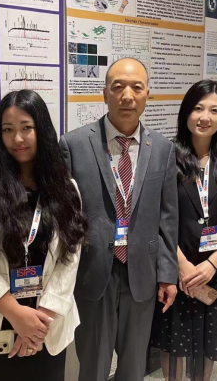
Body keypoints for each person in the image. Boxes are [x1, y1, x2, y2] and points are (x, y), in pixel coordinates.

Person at [60, 57, 179, 381]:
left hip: (142, 274)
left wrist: (168, 274)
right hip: (93, 273)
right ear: (105, 94)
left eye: (136, 88)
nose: (127, 96)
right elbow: (65, 218)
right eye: (118, 87)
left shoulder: (163, 149)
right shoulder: (73, 144)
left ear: (147, 94)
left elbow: (168, 217)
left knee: (134, 368)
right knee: (93, 367)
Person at [0, 89, 87, 381]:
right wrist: (17, 316)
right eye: (8, 130)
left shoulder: (65, 187)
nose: (17, 138)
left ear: (41, 130)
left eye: (26, 128)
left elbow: (70, 257)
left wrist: (38, 323)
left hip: (48, 326)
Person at [150, 80, 217, 381]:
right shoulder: (165, 155)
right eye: (198, 108)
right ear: (186, 112)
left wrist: (213, 262)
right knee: (174, 343)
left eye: (214, 110)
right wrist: (182, 265)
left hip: (214, 271)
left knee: (209, 343)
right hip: (176, 269)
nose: (205, 117)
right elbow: (156, 215)